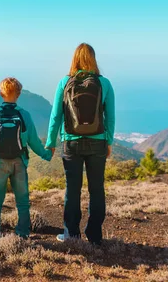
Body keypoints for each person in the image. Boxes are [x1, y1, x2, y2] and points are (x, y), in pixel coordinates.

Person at [46, 43, 115, 245]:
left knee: (72, 190)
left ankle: (71, 235)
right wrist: (108, 141)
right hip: (98, 143)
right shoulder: (105, 83)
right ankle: (94, 236)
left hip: (71, 143)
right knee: (97, 189)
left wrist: (51, 142)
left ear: (74, 58)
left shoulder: (64, 82)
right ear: (93, 58)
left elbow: (55, 116)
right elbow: (110, 117)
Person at [0, 77, 55, 239]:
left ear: (1, 93)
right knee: (22, 201)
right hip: (19, 162)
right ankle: (22, 232)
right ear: (19, 94)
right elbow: (33, 141)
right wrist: (46, 154)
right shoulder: (24, 115)